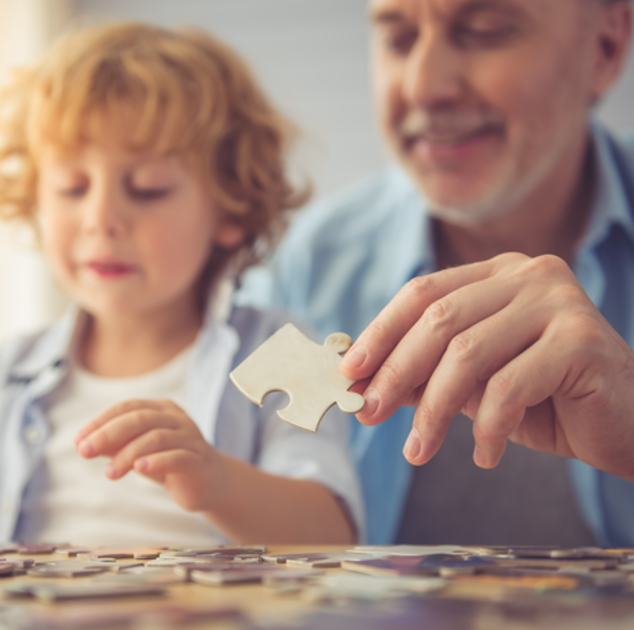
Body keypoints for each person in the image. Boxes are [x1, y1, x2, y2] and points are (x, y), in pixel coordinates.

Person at [0, 23, 363, 547]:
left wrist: (219, 482)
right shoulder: (7, 374)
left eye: (147, 188)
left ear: (230, 208)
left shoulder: (286, 349)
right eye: (70, 186)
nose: (100, 219)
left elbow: (333, 533)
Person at [240, 0, 634, 546]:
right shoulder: (308, 262)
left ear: (605, 46)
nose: (424, 87)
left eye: (485, 31)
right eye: (398, 39)